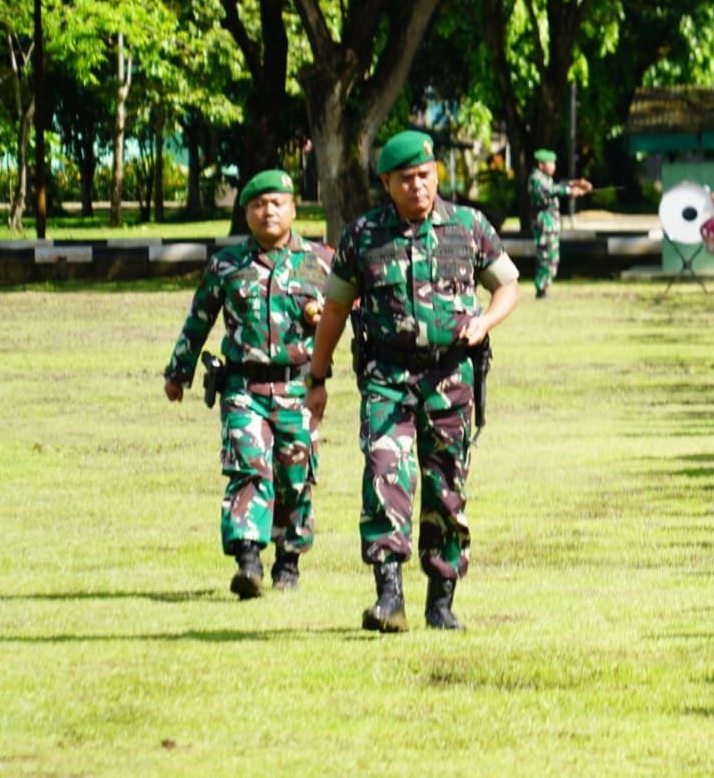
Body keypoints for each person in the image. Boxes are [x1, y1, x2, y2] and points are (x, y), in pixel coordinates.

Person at [308, 130, 521, 633]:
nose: (418, 187)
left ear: (436, 174)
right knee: (386, 473)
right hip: (387, 376)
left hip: (450, 376)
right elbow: (335, 309)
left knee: (446, 485)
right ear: (387, 183)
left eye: (425, 176)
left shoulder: (468, 226)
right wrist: (317, 376)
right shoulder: (364, 236)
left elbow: (508, 285)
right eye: (406, 179)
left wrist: (485, 322)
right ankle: (389, 598)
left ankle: (441, 601)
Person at [163, 169, 332, 599]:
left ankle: (288, 560)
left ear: (294, 208)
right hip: (243, 388)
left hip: (297, 388)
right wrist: (178, 371)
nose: (268, 211)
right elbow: (199, 318)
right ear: (246, 213)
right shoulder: (228, 265)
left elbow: (349, 315)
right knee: (248, 468)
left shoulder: (320, 262)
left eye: (277, 203)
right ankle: (248, 561)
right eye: (258, 205)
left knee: (295, 477)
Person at [527, 148, 592, 298]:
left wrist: (577, 183)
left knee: (552, 256)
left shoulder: (544, 177)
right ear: (541, 164)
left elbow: (558, 184)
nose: (553, 166)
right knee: (545, 256)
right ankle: (541, 289)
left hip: (550, 225)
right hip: (544, 224)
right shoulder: (536, 178)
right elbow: (552, 189)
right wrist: (571, 191)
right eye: (550, 163)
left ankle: (545, 287)